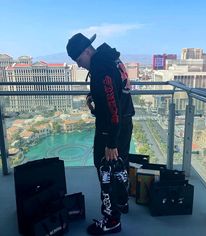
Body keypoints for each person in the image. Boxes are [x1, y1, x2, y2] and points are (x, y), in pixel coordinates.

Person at [66, 33, 135, 235]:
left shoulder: (101, 67)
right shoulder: (110, 57)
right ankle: (122, 202)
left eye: (79, 60)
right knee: (119, 165)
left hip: (112, 128)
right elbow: (114, 93)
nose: (79, 66)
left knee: (105, 170)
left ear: (88, 51)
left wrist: (111, 141)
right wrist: (94, 96)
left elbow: (112, 107)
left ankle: (112, 220)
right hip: (124, 123)